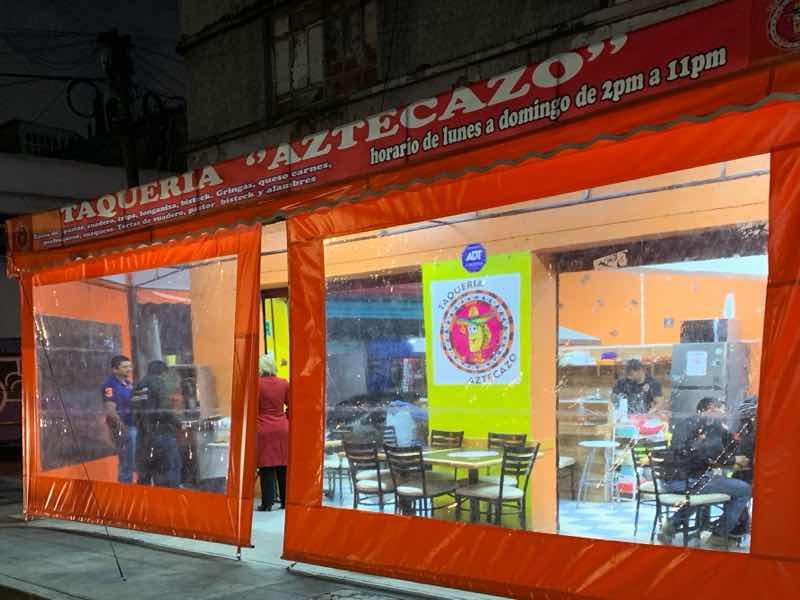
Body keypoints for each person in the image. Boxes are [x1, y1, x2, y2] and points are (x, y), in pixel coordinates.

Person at [658, 397, 752, 547]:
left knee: (703, 489)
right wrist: (734, 460)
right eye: (721, 409)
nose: (724, 413)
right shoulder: (707, 427)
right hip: (688, 481)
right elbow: (713, 454)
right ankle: (720, 535)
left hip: (669, 480)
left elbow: (723, 446)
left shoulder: (686, 423)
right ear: (710, 409)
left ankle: (672, 524)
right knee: (744, 489)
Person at [132, 360, 181, 488]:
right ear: (163, 373)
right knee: (168, 473)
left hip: (142, 437)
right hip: (162, 434)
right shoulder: (159, 384)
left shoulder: (137, 386)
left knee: (144, 476)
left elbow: (134, 411)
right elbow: (165, 411)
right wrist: (178, 423)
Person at [256, 354, 289, 511]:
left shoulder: (256, 384)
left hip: (263, 428)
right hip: (282, 428)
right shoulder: (284, 383)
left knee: (266, 466)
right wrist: (286, 418)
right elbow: (292, 404)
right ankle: (285, 501)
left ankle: (267, 503)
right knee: (283, 465)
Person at [102, 355, 136, 483]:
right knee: (126, 465)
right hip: (125, 429)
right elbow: (111, 411)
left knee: (132, 464)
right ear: (115, 370)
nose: (129, 369)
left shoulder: (128, 384)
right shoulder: (110, 385)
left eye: (130, 366)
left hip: (133, 427)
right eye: (125, 367)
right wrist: (123, 429)